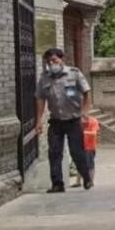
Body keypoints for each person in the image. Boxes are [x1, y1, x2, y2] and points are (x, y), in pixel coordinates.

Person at [34, 47, 93, 193]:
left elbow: (86, 93)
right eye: (48, 62)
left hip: (73, 120)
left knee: (77, 152)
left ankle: (86, 177)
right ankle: (57, 183)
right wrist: (39, 120)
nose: (51, 64)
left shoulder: (74, 73)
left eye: (54, 60)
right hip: (56, 121)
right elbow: (40, 99)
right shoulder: (44, 77)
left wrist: (85, 113)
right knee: (54, 153)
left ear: (62, 59)